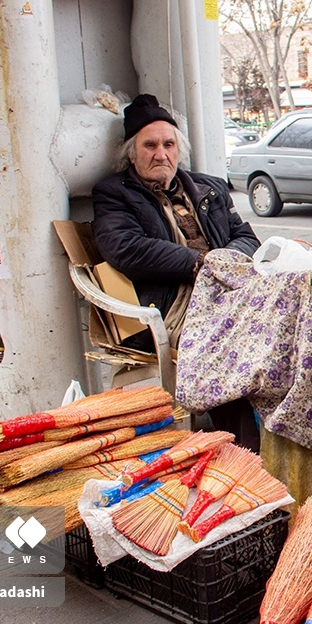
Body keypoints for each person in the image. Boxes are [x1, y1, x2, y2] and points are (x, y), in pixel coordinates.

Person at [92, 94, 261, 448]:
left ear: (178, 149)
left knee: (289, 328)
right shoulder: (114, 194)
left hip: (231, 290)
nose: (160, 154)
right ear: (131, 153)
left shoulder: (208, 188)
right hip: (173, 302)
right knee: (232, 346)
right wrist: (199, 264)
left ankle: (288, 446)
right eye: (149, 145)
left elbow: (245, 235)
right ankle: (245, 454)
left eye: (168, 144)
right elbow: (124, 247)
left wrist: (225, 261)